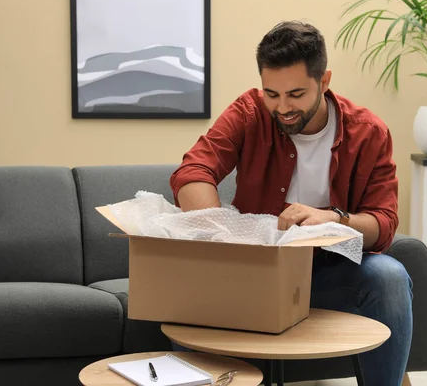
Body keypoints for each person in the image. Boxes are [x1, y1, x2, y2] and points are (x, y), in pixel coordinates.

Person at [169, 21, 413, 386]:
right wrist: (219, 233)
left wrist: (332, 219)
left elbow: (384, 224)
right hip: (255, 274)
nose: (282, 108)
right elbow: (194, 171)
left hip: (332, 272)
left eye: (296, 94)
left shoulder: (368, 132)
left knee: (390, 277)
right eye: (272, 94)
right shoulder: (249, 112)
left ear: (324, 80)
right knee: (186, 286)